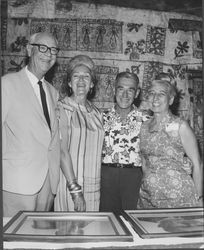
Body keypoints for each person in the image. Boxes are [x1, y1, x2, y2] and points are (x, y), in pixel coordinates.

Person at [2, 32, 61, 217]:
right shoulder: (7, 84)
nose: (48, 54)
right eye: (42, 48)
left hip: (47, 185)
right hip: (16, 183)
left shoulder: (53, 92)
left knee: (39, 239)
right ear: (29, 50)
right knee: (13, 241)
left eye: (53, 50)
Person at [137, 79, 203, 209]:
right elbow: (144, 161)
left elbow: (197, 164)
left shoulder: (181, 126)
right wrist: (148, 183)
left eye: (161, 94)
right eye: (151, 93)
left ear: (171, 100)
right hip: (148, 198)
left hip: (178, 197)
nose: (155, 97)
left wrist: (200, 198)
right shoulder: (144, 127)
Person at [54, 54, 104, 212]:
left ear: (92, 84)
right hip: (71, 185)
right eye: (76, 76)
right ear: (69, 83)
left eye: (86, 77)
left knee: (91, 232)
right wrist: (75, 190)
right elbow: (61, 152)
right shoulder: (62, 108)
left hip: (94, 186)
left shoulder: (97, 113)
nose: (81, 81)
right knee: (70, 231)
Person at [99, 71, 149, 213]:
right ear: (114, 90)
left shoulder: (145, 120)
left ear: (137, 93)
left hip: (134, 177)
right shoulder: (100, 117)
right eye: (121, 89)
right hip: (106, 176)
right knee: (107, 221)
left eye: (130, 90)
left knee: (133, 220)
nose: (125, 95)